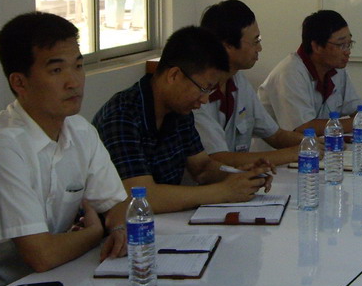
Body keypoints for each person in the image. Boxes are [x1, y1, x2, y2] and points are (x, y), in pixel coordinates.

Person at [0, 12, 129, 286]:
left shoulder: (80, 131)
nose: (74, 82)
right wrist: (95, 232)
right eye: (57, 70)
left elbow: (116, 204)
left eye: (78, 66)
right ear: (19, 83)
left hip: (58, 278)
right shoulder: (0, 147)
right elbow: (41, 255)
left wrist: (118, 228)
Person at [93, 26, 269, 214]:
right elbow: (142, 197)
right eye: (204, 88)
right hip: (127, 229)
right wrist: (224, 191)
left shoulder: (179, 111)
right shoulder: (122, 116)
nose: (205, 99)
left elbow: (202, 168)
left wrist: (241, 175)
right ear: (174, 75)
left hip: (168, 222)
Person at [258, 9, 362, 135]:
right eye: (341, 45)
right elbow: (302, 128)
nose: (347, 51)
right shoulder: (289, 73)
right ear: (317, 46)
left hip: (319, 150)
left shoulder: (335, 69)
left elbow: (355, 108)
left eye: (349, 44)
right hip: (278, 157)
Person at [195, 0, 303, 167]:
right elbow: (217, 159)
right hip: (208, 183)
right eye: (255, 41)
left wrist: (312, 143)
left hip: (239, 180)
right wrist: (294, 154)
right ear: (227, 46)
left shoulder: (238, 81)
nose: (259, 48)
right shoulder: (196, 94)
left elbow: (275, 135)